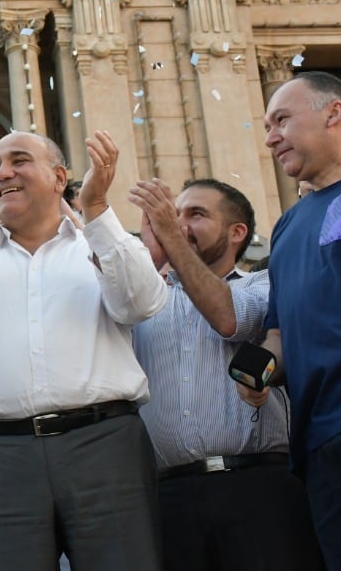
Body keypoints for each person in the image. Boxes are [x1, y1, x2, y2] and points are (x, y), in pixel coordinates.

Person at [0, 130, 167, 571]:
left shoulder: (100, 247)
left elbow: (141, 303)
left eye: (19, 160)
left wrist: (97, 207)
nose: (2, 174)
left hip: (103, 446)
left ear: (60, 177)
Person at [130, 177, 323, 570]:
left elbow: (229, 318)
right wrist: (148, 261)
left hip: (258, 487)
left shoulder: (265, 284)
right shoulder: (142, 302)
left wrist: (171, 237)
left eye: (196, 215)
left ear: (237, 232)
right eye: (174, 215)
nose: (180, 225)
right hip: (168, 495)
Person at [246, 71, 341, 567]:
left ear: (334, 113)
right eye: (267, 127)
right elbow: (279, 334)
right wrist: (255, 373)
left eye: (282, 120)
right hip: (321, 444)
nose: (271, 138)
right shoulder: (287, 227)